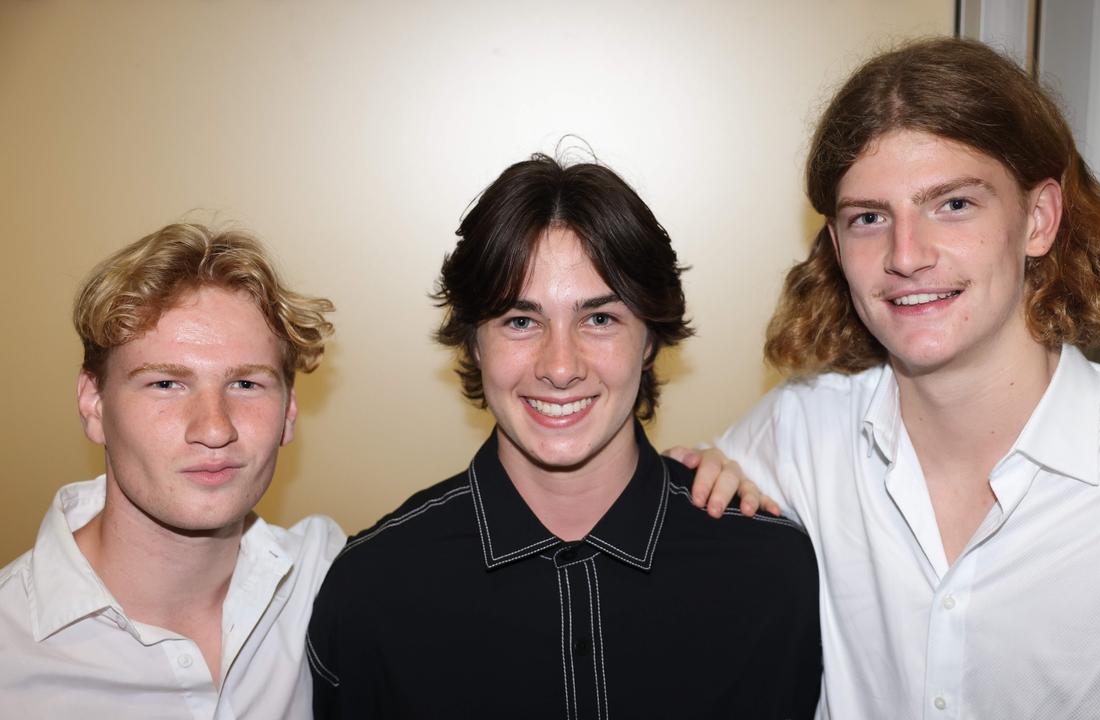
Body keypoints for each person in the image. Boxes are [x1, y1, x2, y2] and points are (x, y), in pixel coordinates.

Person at [687, 37, 1100, 718]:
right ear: (835, 246)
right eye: (870, 218)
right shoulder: (792, 437)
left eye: (954, 204)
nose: (906, 256)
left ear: (1038, 219)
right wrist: (698, 489)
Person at [306, 154, 822, 719]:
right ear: (474, 343)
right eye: (520, 321)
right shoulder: (372, 589)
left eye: (599, 319)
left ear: (649, 339)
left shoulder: (773, 571)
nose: (559, 366)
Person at [0, 224, 345, 718]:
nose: (213, 428)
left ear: (289, 413)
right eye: (165, 384)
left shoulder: (334, 584)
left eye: (246, 384)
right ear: (93, 404)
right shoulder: (10, 654)